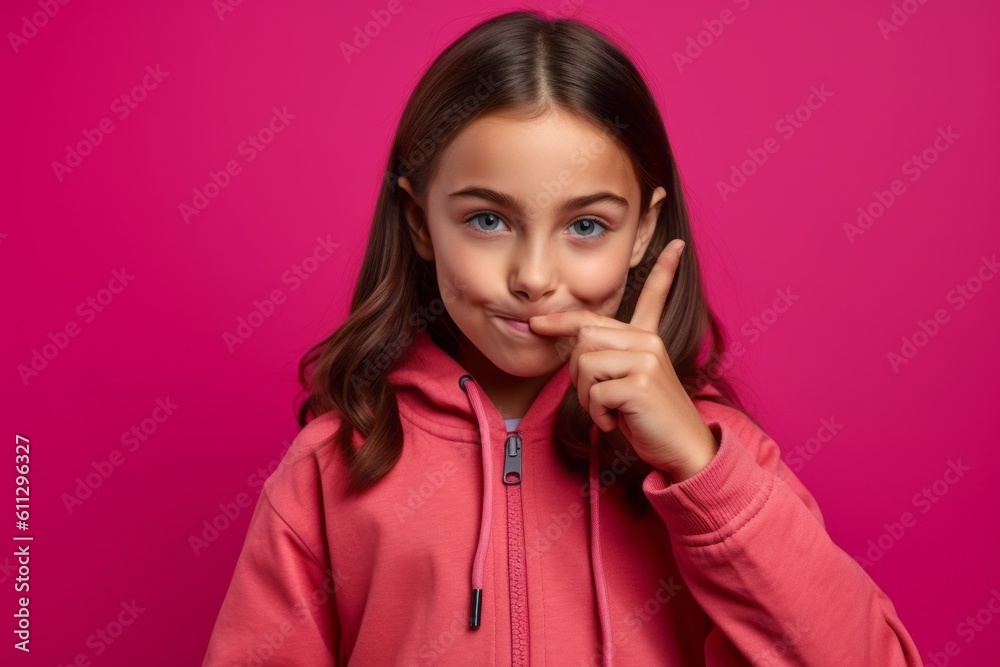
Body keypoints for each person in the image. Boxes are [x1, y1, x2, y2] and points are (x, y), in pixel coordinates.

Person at [202, 10, 923, 666]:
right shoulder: (330, 469)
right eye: (488, 219)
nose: (534, 275)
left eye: (586, 226)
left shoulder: (716, 456)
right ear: (421, 221)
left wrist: (701, 471)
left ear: (643, 230)